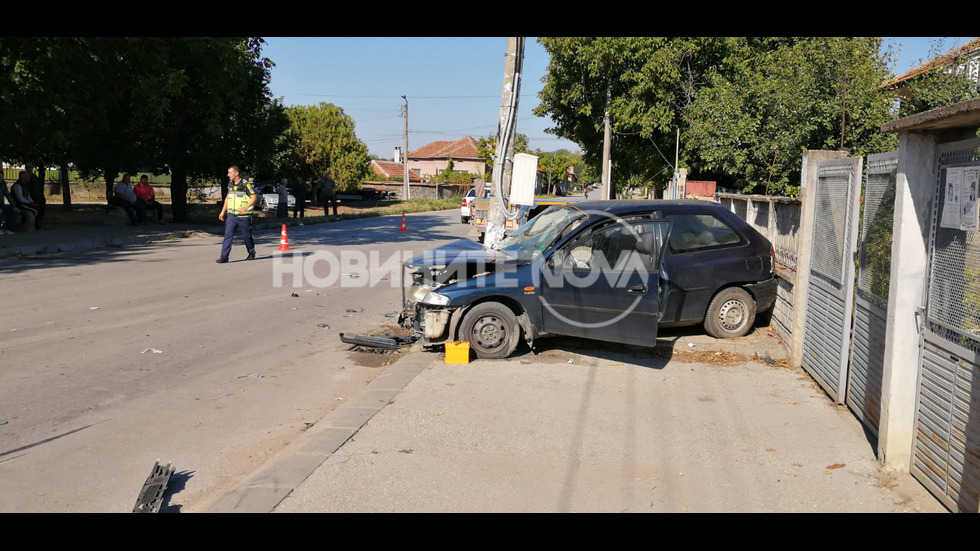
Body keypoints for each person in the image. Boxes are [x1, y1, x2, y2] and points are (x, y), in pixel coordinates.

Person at [217, 165, 257, 263]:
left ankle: (251, 252)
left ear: (236, 173)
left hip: (244, 217)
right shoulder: (230, 184)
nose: (228, 175)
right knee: (228, 235)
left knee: (247, 236)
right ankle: (224, 256)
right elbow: (227, 198)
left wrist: (245, 207)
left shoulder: (245, 185)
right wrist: (223, 212)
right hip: (231, 216)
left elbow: (254, 197)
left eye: (230, 173)